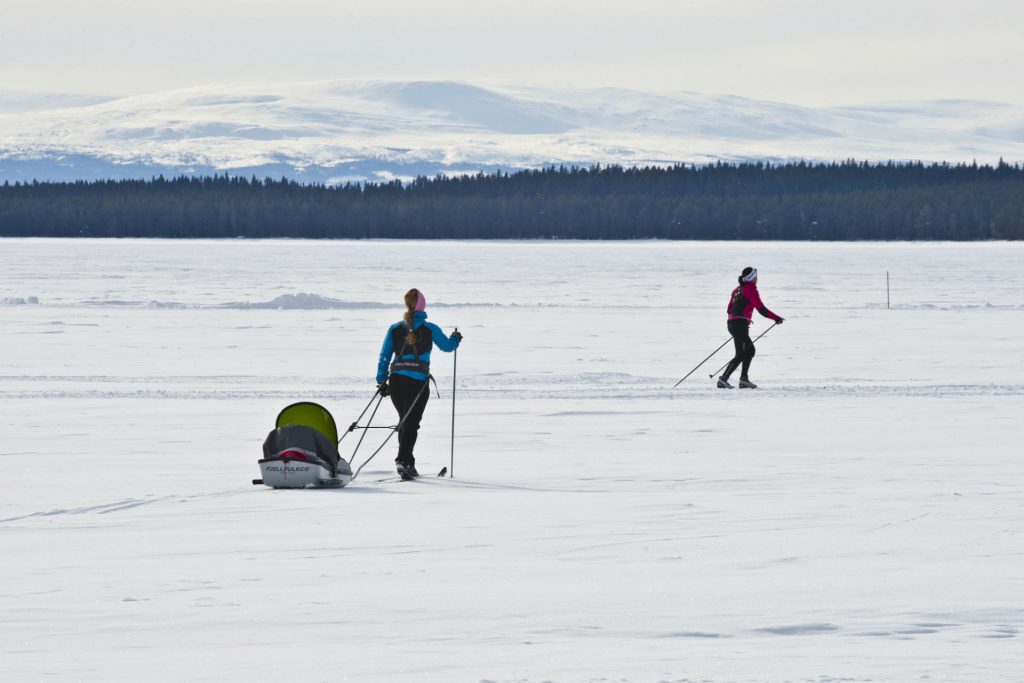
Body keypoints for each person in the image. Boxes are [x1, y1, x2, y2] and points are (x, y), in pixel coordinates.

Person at [376, 288, 462, 479]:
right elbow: (448, 347)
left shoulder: (395, 328)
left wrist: (381, 380)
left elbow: (384, 356)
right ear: (422, 306)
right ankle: (403, 461)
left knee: (405, 422)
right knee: (411, 423)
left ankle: (408, 463)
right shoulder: (430, 328)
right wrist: (456, 339)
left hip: (396, 381)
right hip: (418, 383)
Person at [717, 267, 783, 389]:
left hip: (733, 324)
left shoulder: (737, 289)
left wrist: (741, 318)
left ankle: (743, 379)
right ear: (752, 278)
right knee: (743, 352)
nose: (757, 279)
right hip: (739, 325)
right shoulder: (750, 290)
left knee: (748, 351)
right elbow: (761, 309)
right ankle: (724, 379)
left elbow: (729, 309)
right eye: (756, 277)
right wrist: (776, 318)